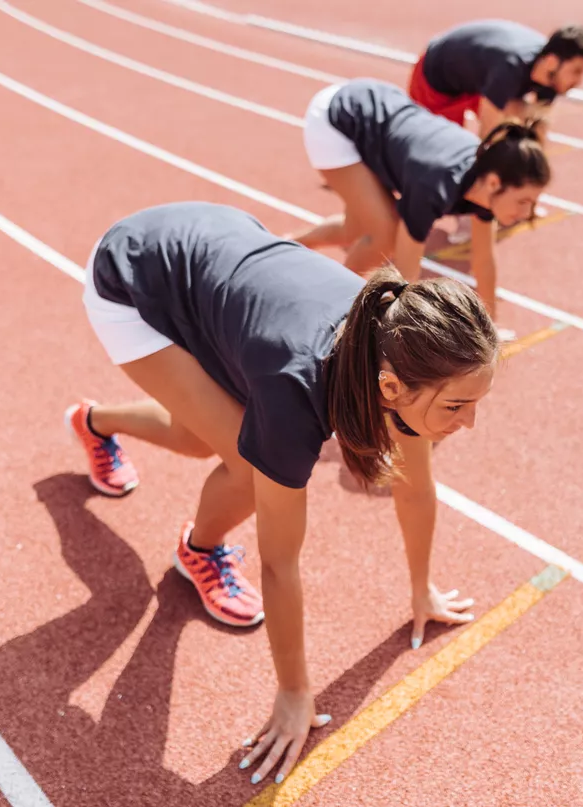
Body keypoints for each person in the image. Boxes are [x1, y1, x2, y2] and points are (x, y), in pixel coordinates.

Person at [65, 201, 499, 784]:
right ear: (391, 386)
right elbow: (279, 560)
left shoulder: (403, 353)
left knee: (204, 438)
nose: (468, 423)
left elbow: (416, 487)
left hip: (218, 260)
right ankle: (197, 552)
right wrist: (295, 691)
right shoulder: (297, 390)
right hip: (137, 275)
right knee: (245, 468)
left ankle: (94, 422)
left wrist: (421, 589)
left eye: (475, 404)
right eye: (456, 407)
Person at [292, 78, 551, 331]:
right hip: (340, 118)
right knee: (383, 232)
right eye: (523, 201)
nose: (526, 213)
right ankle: (331, 311)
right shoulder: (435, 185)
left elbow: (483, 259)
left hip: (377, 119)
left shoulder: (488, 181)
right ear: (495, 184)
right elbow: (405, 275)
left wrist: (490, 325)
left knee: (355, 229)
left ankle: (290, 245)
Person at [408, 20, 583, 136]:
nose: (579, 81)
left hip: (478, 80)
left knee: (514, 130)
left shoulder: (551, 78)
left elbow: (539, 126)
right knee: (444, 144)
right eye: (576, 71)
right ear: (552, 62)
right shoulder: (509, 68)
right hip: (436, 77)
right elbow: (486, 136)